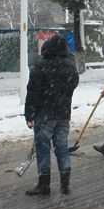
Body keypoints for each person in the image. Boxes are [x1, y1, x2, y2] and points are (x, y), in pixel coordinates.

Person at [24, 35, 79, 196]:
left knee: (43, 149)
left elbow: (32, 92)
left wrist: (29, 114)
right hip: (63, 115)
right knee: (62, 148)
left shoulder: (40, 67)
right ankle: (65, 184)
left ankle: (44, 185)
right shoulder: (70, 67)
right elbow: (72, 85)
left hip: (44, 116)